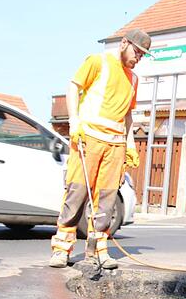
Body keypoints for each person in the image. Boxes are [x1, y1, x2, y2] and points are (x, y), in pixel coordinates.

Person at [49, 29, 151, 269]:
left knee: (106, 199)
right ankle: (62, 249)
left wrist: (130, 145)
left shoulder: (133, 79)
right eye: (137, 51)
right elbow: (73, 87)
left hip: (114, 145)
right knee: (77, 193)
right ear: (124, 43)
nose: (138, 58)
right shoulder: (98, 62)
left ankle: (98, 250)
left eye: (143, 55)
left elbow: (127, 114)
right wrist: (74, 122)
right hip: (89, 139)